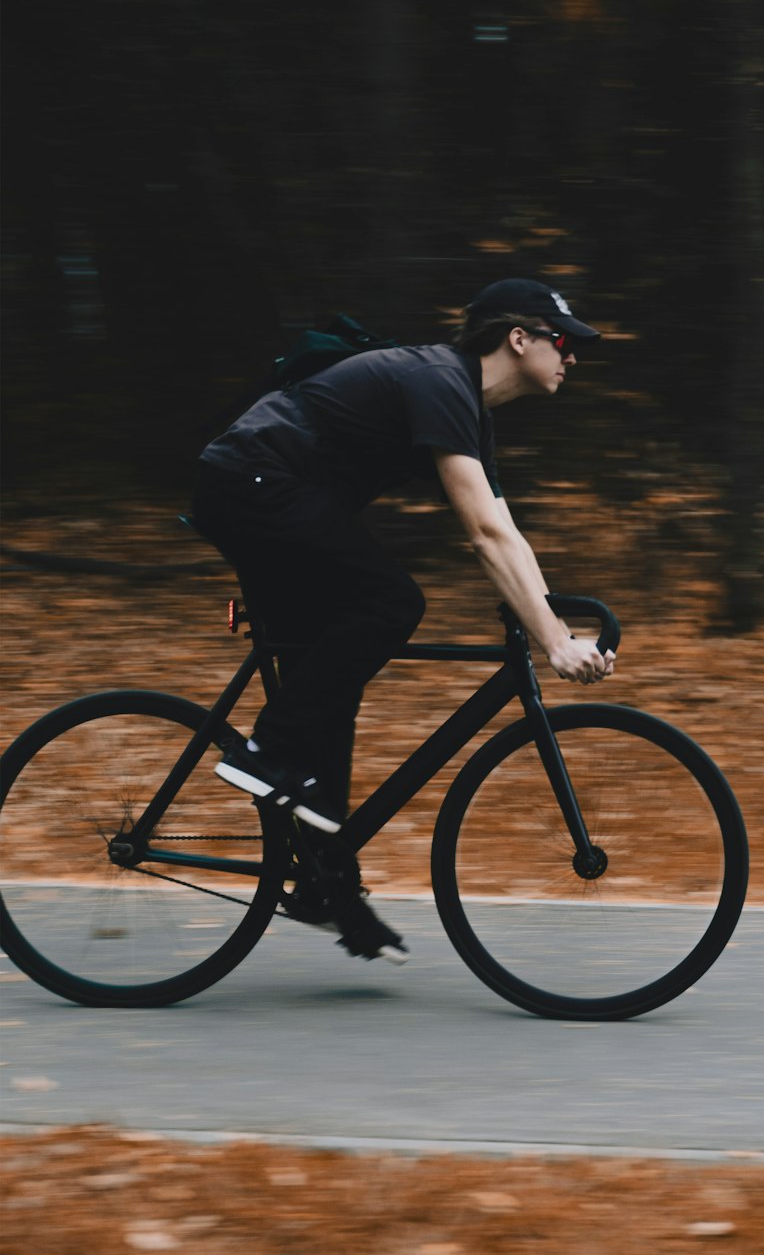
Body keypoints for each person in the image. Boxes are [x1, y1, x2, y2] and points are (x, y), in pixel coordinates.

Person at [191, 278, 616, 964]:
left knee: (329, 690)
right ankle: (265, 753)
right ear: (518, 339)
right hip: (252, 482)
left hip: (269, 493)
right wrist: (552, 641)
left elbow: (503, 530)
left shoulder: (466, 408)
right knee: (392, 604)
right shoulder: (442, 382)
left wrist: (556, 628)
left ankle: (328, 889)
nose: (574, 357)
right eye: (563, 342)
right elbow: (481, 532)